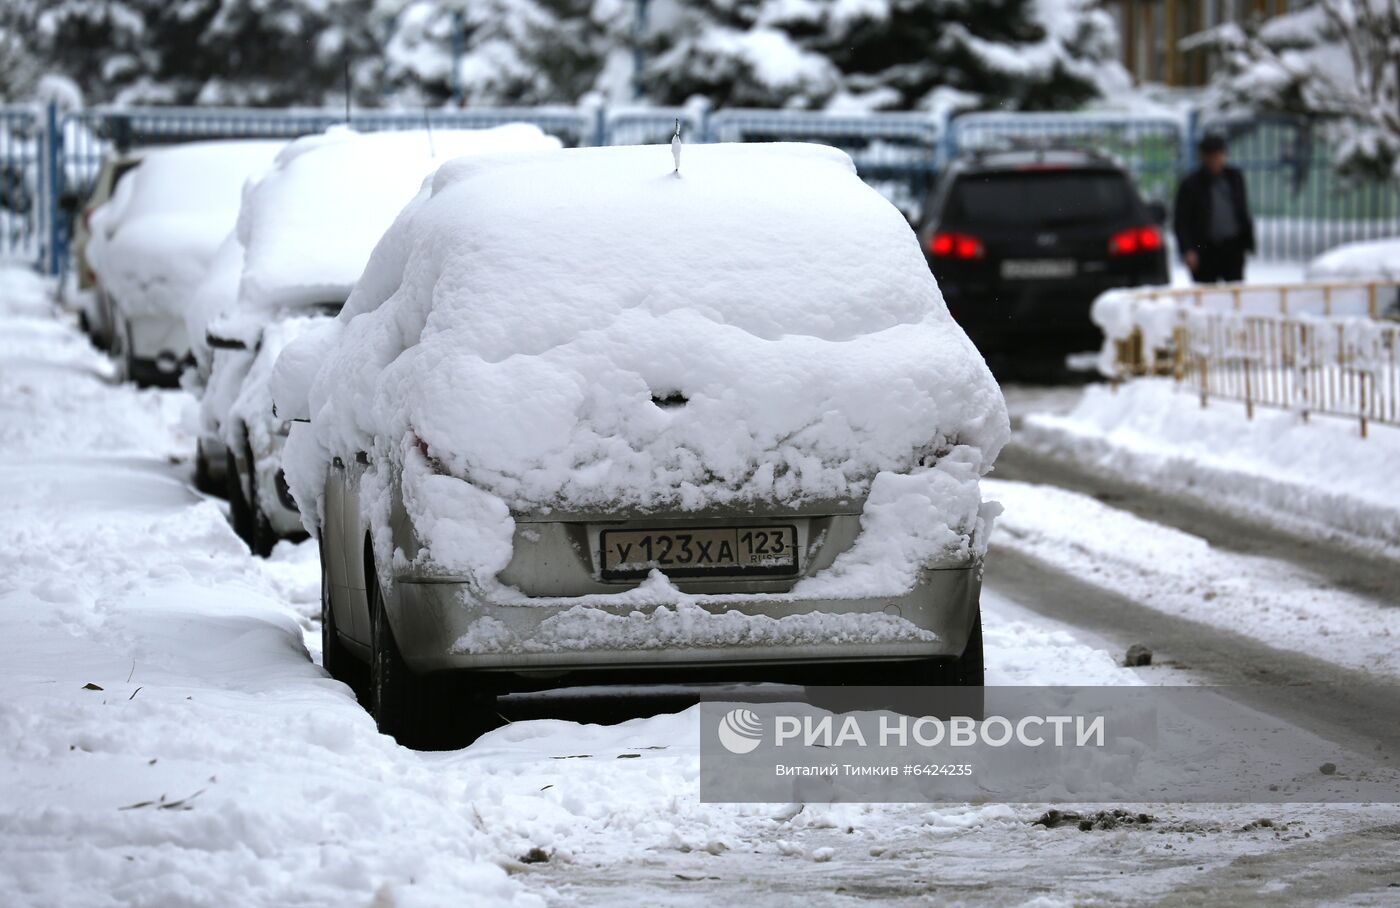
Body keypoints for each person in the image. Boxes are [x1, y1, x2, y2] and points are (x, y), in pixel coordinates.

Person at [1173, 134, 1255, 283]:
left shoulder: (1234, 178)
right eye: (1211, 156)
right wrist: (1188, 250)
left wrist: (1247, 241)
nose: (1215, 161)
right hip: (1204, 249)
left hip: (1232, 247)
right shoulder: (1191, 184)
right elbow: (1181, 221)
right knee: (1206, 293)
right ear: (1203, 157)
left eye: (1218, 155)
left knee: (1234, 290)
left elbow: (1241, 211)